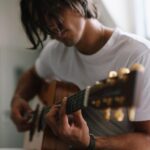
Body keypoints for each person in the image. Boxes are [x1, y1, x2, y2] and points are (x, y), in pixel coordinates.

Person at [11, 0, 150, 149]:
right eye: (41, 20)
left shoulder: (138, 55)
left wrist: (91, 143)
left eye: (54, 12)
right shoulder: (54, 53)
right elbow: (33, 75)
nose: (50, 25)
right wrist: (18, 98)